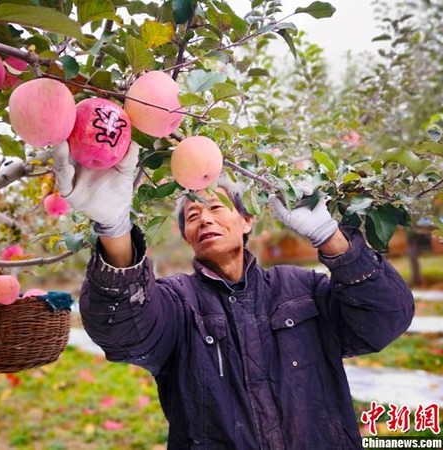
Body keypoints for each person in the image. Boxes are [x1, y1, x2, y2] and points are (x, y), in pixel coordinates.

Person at [53, 141, 414, 450]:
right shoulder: (178, 302)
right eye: (193, 215)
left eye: (215, 208)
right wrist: (114, 229)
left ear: (246, 221)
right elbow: (122, 330)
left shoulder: (301, 289)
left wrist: (328, 235)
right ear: (187, 237)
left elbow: (385, 317)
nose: (204, 219)